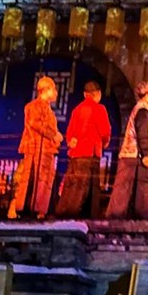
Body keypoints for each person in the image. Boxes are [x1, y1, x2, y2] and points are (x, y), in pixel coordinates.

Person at [55, 81, 111, 219]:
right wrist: (104, 143)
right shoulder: (99, 109)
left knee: (73, 186)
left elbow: (69, 133)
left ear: (85, 94)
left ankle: (64, 214)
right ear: (98, 94)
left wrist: (72, 142)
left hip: (76, 155)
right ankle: (85, 218)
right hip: (91, 154)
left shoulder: (77, 110)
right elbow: (105, 131)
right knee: (89, 189)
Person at [8, 76, 63, 219]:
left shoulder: (49, 111)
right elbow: (35, 123)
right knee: (32, 180)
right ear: (46, 89)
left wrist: (56, 138)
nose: (56, 93)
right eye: (54, 89)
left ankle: (40, 210)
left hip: (46, 151)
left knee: (44, 183)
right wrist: (53, 135)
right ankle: (28, 209)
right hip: (35, 149)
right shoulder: (32, 106)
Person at [106, 81, 148, 219]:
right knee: (137, 189)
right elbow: (142, 132)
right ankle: (130, 217)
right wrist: (147, 153)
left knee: (126, 189)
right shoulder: (143, 110)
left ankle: (122, 217)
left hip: (132, 155)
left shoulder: (140, 108)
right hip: (135, 155)